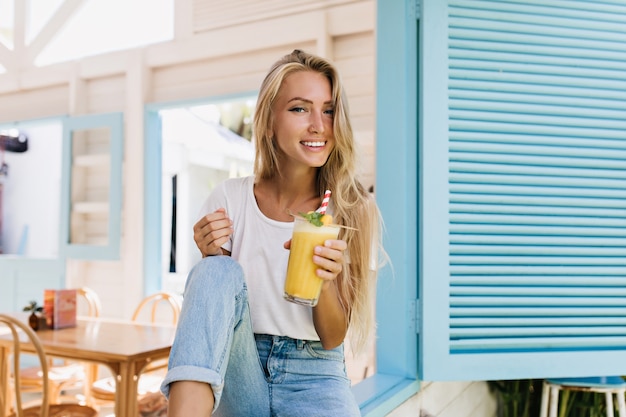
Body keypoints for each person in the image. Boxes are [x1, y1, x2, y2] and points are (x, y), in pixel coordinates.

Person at [161, 49, 385, 417]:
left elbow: (333, 338)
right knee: (215, 271)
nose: (319, 125)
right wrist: (211, 259)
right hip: (239, 365)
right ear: (268, 121)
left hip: (314, 373)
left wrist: (326, 281)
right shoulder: (229, 200)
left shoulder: (351, 209)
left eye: (328, 110)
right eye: (300, 109)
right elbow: (213, 314)